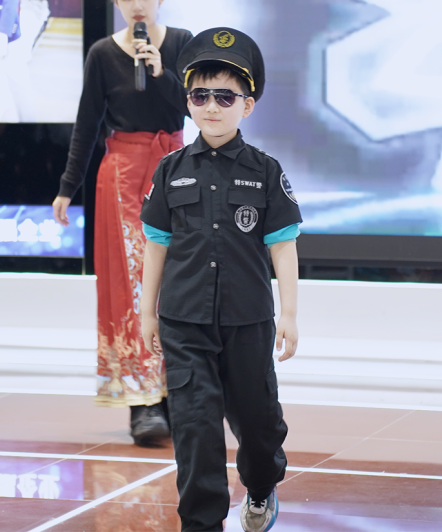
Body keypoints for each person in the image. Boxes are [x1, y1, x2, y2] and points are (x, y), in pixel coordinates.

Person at [138, 28, 301, 532]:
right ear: (188, 102)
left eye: (225, 97)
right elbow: (156, 244)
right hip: (184, 321)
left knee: (259, 426)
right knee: (195, 430)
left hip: (247, 320)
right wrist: (146, 314)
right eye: (200, 95)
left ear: (246, 106)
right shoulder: (170, 171)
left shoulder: (266, 172)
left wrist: (289, 314)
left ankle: (261, 487)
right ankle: (202, 524)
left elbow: (283, 246)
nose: (211, 106)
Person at [52, 0, 193, 446]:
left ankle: (179, 393)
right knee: (134, 285)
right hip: (122, 178)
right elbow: (87, 123)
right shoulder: (102, 54)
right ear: (115, 2)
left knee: (179, 281)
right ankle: (142, 400)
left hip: (175, 170)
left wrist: (160, 70)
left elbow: (192, 106)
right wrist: (67, 186)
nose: (138, 6)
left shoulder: (181, 43)